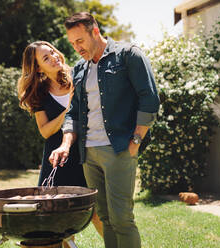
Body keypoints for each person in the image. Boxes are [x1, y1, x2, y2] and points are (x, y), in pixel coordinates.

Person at [49, 12, 160, 248]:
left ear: (95, 32)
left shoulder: (128, 55)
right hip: (89, 154)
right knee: (106, 217)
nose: (76, 48)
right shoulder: (80, 68)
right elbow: (73, 112)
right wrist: (66, 144)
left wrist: (136, 141)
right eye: (72, 43)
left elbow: (149, 99)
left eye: (80, 41)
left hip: (119, 149)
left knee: (121, 218)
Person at [17, 41, 103, 244]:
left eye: (53, 52)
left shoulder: (78, 75)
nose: (54, 57)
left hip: (86, 154)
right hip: (58, 160)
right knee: (60, 220)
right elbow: (45, 131)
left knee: (98, 213)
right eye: (46, 58)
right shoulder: (38, 93)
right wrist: (67, 111)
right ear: (38, 68)